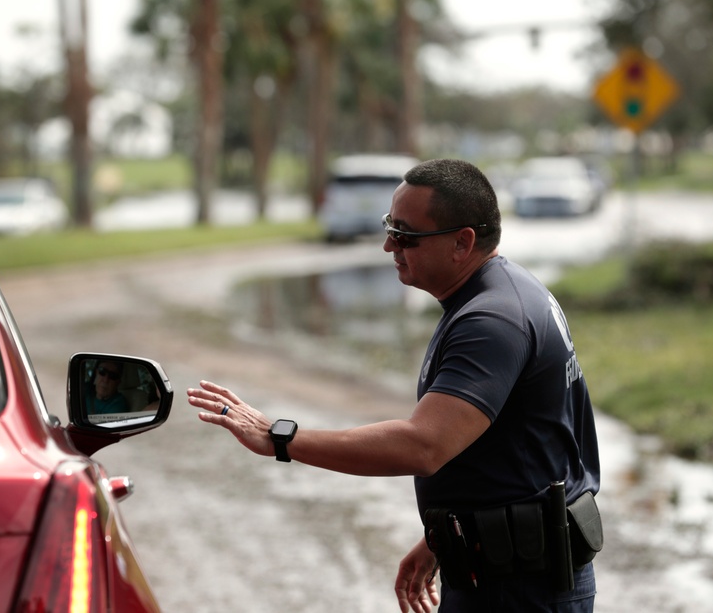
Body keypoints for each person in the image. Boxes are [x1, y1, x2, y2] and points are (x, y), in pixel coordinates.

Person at [188, 158, 601, 613]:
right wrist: (447, 538)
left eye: (406, 235)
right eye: (390, 227)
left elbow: (423, 446)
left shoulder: (492, 320)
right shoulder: (504, 293)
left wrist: (280, 438)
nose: (389, 245)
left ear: (462, 243)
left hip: (520, 591)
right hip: (508, 569)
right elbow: (514, 452)